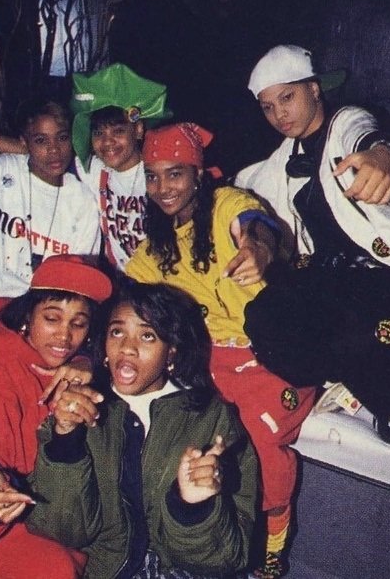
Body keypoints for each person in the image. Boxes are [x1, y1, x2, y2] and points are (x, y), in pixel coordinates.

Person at [124, 122, 315, 579]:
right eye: (152, 176)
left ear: (197, 174)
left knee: (258, 441)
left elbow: (256, 225)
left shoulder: (227, 203)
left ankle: (273, 542)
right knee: (183, 434)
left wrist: (258, 248)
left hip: (273, 354)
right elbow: (124, 296)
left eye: (174, 173)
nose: (163, 187)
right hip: (209, 362)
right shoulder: (155, 247)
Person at [0, 281, 258, 578]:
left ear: (171, 352)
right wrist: (66, 439)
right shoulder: (76, 408)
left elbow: (229, 559)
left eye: (147, 336)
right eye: (117, 332)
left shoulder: (213, 419)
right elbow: (65, 534)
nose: (128, 347)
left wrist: (192, 508)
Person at [236, 45, 390, 450]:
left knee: (366, 332)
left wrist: (383, 156)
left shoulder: (346, 122)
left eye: (287, 97)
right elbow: (247, 195)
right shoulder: (284, 158)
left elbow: (371, 136)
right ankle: (355, 376)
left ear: (314, 89)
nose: (279, 114)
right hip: (331, 279)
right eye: (268, 107)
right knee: (265, 319)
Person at [0, 254, 113, 578]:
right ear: (27, 316)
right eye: (52, 318)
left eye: (78, 323)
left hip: (57, 522)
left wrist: (88, 360)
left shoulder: (72, 368)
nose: (64, 336)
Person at [0, 63, 172, 273]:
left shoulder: (156, 172)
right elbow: (37, 152)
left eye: (118, 131)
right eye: (98, 133)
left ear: (138, 129)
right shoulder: (95, 171)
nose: (108, 142)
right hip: (123, 280)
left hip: (164, 276)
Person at [0, 97, 100, 328]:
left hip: (48, 329)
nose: (54, 149)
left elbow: (79, 287)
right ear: (24, 142)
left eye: (62, 137)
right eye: (41, 140)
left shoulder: (83, 201)